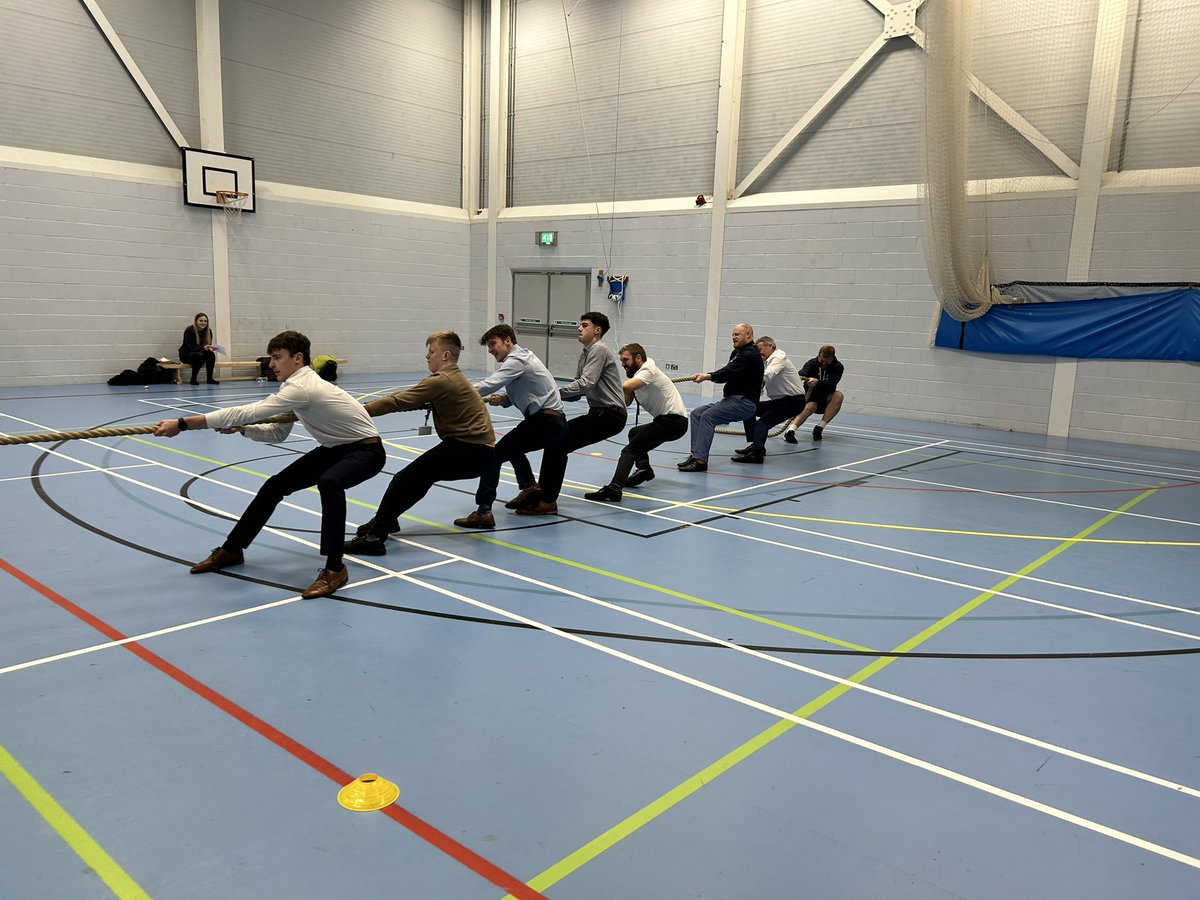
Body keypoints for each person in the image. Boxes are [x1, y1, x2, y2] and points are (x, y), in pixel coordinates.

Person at [153, 330, 385, 599]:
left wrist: (184, 424)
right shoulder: (294, 387)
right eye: (271, 358)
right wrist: (243, 430)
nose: (271, 364)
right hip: (336, 449)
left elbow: (247, 411)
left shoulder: (303, 387)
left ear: (297, 359)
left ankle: (335, 569)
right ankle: (232, 549)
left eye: (277, 358)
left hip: (367, 451)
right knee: (274, 486)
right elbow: (278, 432)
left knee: (330, 482)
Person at [343, 332, 494, 556]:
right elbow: (408, 398)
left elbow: (397, 401)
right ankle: (386, 520)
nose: (427, 356)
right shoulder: (454, 377)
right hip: (479, 452)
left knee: (404, 479)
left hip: (470, 450)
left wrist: (357, 411)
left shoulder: (443, 379)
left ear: (445, 355)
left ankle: (375, 537)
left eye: (431, 352)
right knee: (420, 478)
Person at [454, 324, 567, 529]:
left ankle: (484, 511)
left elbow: (490, 383)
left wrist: (455, 393)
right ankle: (529, 486)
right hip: (551, 421)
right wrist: (504, 399)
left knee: (493, 456)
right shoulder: (524, 358)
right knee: (512, 448)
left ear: (508, 340)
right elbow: (530, 390)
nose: (490, 350)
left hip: (545, 422)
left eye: (492, 344)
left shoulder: (516, 360)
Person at [515, 311, 627, 516]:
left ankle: (547, 500)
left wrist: (552, 394)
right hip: (600, 413)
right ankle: (543, 493)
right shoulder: (586, 353)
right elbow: (577, 393)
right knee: (556, 441)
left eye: (585, 325)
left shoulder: (599, 349)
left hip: (610, 415)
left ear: (597, 330)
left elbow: (585, 384)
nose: (579, 328)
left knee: (558, 442)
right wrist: (550, 399)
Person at [584, 342, 687, 502]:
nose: (623, 364)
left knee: (629, 451)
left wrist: (597, 385)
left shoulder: (648, 370)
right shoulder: (638, 376)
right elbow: (625, 400)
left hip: (673, 421)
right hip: (667, 421)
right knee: (634, 433)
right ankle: (644, 469)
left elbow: (625, 387)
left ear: (638, 358)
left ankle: (614, 488)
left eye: (625, 360)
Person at [678, 323, 764, 472]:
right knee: (697, 414)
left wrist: (707, 376)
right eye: (733, 334)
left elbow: (727, 371)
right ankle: (695, 455)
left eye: (737, 334)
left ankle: (700, 461)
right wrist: (712, 377)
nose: (733, 337)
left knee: (708, 417)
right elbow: (727, 375)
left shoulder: (750, 354)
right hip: (731, 400)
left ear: (748, 335)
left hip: (744, 403)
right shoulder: (737, 353)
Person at [732, 336, 808, 464]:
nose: (759, 352)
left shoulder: (778, 357)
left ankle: (756, 454)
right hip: (780, 401)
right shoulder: (766, 361)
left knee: (762, 423)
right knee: (748, 409)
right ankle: (757, 445)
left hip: (792, 401)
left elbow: (768, 374)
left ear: (771, 346)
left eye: (761, 349)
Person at [783, 344, 845, 442]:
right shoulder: (812, 363)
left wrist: (818, 382)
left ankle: (819, 428)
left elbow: (831, 384)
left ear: (832, 358)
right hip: (811, 396)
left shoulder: (838, 367)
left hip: (826, 397)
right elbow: (803, 372)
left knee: (838, 395)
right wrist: (799, 377)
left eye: (826, 361)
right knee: (811, 406)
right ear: (818, 355)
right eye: (822, 360)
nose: (823, 363)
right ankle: (790, 431)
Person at [179, 313, 219, 385]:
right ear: (196, 321)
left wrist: (210, 348)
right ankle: (193, 379)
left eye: (205, 321)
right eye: (201, 321)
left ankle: (210, 379)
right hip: (186, 355)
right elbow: (189, 347)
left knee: (211, 355)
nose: (203, 323)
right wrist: (203, 348)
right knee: (199, 355)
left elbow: (207, 345)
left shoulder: (208, 331)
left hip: (201, 353)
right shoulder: (189, 330)